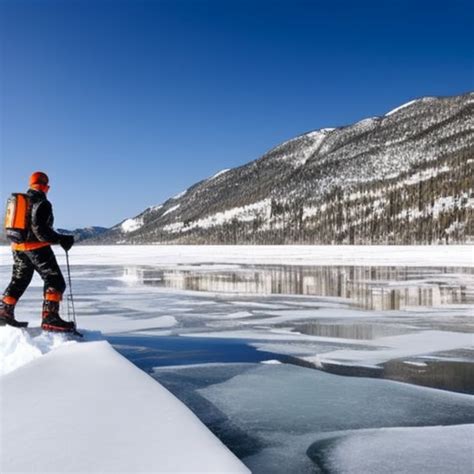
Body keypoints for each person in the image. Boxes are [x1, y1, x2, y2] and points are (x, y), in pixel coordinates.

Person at [0, 172, 76, 331]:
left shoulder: (22, 201)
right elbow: (41, 232)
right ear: (46, 186)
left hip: (17, 247)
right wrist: (61, 239)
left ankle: (4, 312)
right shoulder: (42, 202)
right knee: (55, 280)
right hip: (36, 249)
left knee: (19, 280)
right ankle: (50, 318)